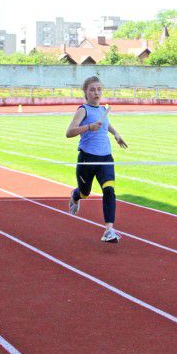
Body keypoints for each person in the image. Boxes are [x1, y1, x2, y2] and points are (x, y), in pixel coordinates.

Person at [66, 76, 128, 243]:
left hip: (106, 158)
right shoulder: (83, 110)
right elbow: (69, 132)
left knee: (109, 190)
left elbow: (105, 124)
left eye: (99, 89)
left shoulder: (102, 110)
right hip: (87, 159)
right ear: (86, 92)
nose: (96, 93)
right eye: (92, 90)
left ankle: (109, 229)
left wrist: (116, 134)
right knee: (85, 193)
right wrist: (88, 127)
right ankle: (75, 195)